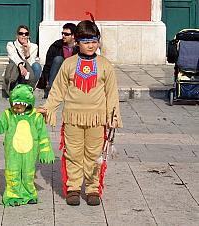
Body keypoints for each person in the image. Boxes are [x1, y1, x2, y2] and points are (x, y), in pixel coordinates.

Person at [38, 20, 123, 206]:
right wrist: (48, 107)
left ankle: (92, 188)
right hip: (72, 118)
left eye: (94, 41)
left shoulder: (105, 65)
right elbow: (58, 89)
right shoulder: (68, 64)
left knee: (94, 155)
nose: (91, 45)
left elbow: (111, 93)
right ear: (77, 42)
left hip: (97, 119)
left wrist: (113, 116)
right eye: (86, 41)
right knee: (73, 153)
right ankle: (73, 188)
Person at [0, 84, 55, 207]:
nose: (17, 109)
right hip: (12, 151)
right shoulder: (8, 115)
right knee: (12, 172)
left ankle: (29, 194)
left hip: (30, 152)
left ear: (27, 104)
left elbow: (42, 135)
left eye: (20, 107)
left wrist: (45, 150)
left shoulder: (35, 117)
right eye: (15, 106)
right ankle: (13, 195)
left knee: (28, 172)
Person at [40, 23, 78, 98]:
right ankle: (51, 89)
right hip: (58, 74)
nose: (63, 36)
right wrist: (46, 80)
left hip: (72, 74)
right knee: (58, 59)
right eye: (62, 33)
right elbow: (48, 64)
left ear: (73, 36)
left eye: (66, 34)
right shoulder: (56, 46)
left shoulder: (79, 48)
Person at [3, 25, 41, 95]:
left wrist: (27, 52)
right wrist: (20, 66)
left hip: (28, 73)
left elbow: (31, 64)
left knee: (36, 66)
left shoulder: (34, 46)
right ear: (17, 35)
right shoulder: (11, 45)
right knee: (14, 65)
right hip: (16, 71)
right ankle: (13, 88)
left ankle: (30, 88)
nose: (23, 36)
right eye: (21, 33)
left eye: (26, 34)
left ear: (28, 36)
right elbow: (14, 57)